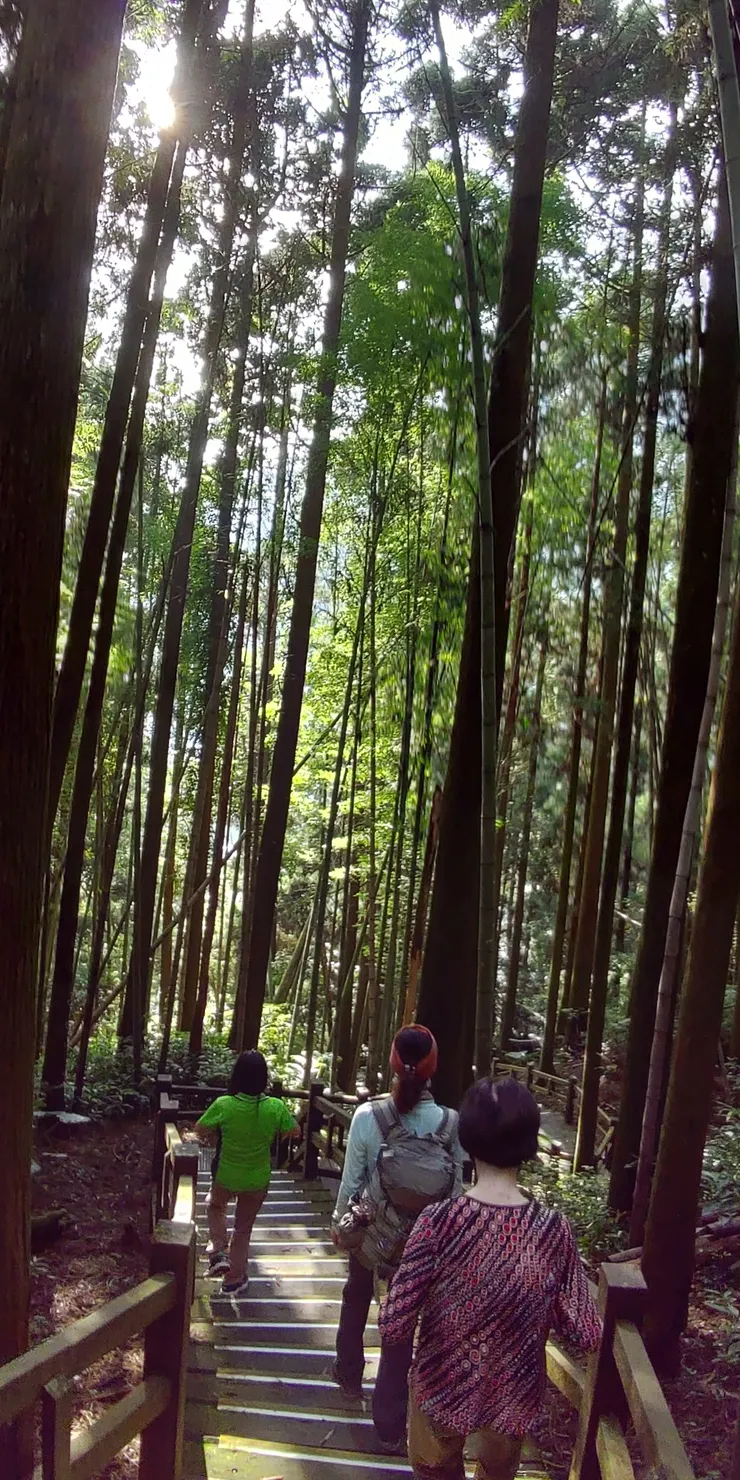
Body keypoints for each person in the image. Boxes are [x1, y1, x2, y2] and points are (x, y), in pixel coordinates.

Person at [378, 1075, 602, 1479]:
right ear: (529, 1143)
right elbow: (585, 1331)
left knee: (433, 1469)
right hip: (513, 1397)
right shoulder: (553, 1230)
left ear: (467, 1139)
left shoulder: (438, 1222)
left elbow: (394, 1323)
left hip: (439, 1388)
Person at [332, 1025, 464, 1449]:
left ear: (392, 1062)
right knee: (401, 1325)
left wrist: (340, 1225)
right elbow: (457, 1192)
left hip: (372, 1236)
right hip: (423, 1247)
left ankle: (348, 1373)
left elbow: (352, 1182)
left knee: (356, 1295)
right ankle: (390, 1426)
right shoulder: (451, 1124)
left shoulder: (368, 1117)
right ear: (433, 1067)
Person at [194, 1050, 298, 1295]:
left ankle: (219, 1251)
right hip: (257, 1178)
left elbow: (200, 1129)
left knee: (215, 1206)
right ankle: (234, 1279)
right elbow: (294, 1131)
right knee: (242, 1229)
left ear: (237, 1075)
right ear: (264, 1077)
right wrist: (271, 1136)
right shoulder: (275, 1107)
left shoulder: (225, 1104)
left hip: (226, 1174)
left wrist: (215, 1136)